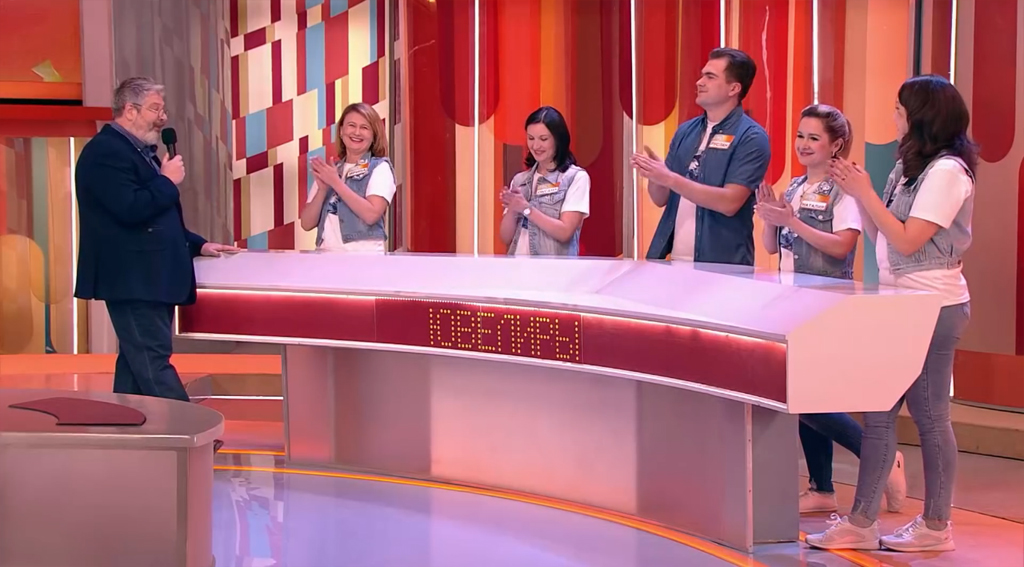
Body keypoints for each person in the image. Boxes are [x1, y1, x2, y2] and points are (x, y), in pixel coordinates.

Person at [806, 75, 977, 552]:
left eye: (900, 110)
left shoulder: (948, 171)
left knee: (929, 415)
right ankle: (861, 522)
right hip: (896, 302)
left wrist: (865, 194)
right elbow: (882, 235)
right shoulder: (906, 166)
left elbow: (907, 239)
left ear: (921, 116)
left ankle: (937, 526)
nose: (894, 117)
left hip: (933, 304)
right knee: (878, 413)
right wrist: (858, 193)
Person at [755, 104, 907, 515]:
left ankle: (879, 454)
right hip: (790, 302)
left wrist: (793, 222)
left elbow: (842, 246)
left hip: (826, 304)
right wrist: (771, 219)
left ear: (836, 145)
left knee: (805, 397)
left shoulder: (845, 191)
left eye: (813, 138)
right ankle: (822, 487)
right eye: (800, 136)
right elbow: (772, 247)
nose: (803, 145)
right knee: (801, 396)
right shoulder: (794, 187)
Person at [75, 77, 238, 416]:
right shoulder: (105, 152)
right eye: (154, 109)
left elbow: (158, 220)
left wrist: (198, 245)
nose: (162, 118)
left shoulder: (139, 152)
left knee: (137, 361)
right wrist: (166, 181)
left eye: (163, 110)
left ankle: (128, 428)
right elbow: (130, 209)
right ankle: (191, 429)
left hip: (148, 277)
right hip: (132, 278)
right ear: (129, 110)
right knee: (152, 359)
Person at [633, 47, 770, 265]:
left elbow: (730, 203)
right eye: (702, 75)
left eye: (710, 76)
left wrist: (670, 178)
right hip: (673, 260)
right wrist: (655, 176)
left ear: (734, 88)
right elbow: (660, 199)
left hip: (722, 266)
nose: (699, 82)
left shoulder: (751, 137)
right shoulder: (686, 131)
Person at [299, 102, 396, 252]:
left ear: (373, 136)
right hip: (325, 258)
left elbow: (371, 214)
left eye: (364, 128)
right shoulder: (331, 170)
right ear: (341, 131)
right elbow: (306, 223)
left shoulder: (380, 168)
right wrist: (322, 190)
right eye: (351, 125)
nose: (357, 132)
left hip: (363, 258)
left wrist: (336, 183)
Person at [499, 106, 590, 256]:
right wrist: (513, 207)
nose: (535, 146)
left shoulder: (575, 177)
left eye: (543, 139)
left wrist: (526, 209)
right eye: (531, 138)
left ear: (558, 140)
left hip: (553, 269)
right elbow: (505, 237)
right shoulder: (520, 180)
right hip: (517, 267)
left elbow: (565, 232)